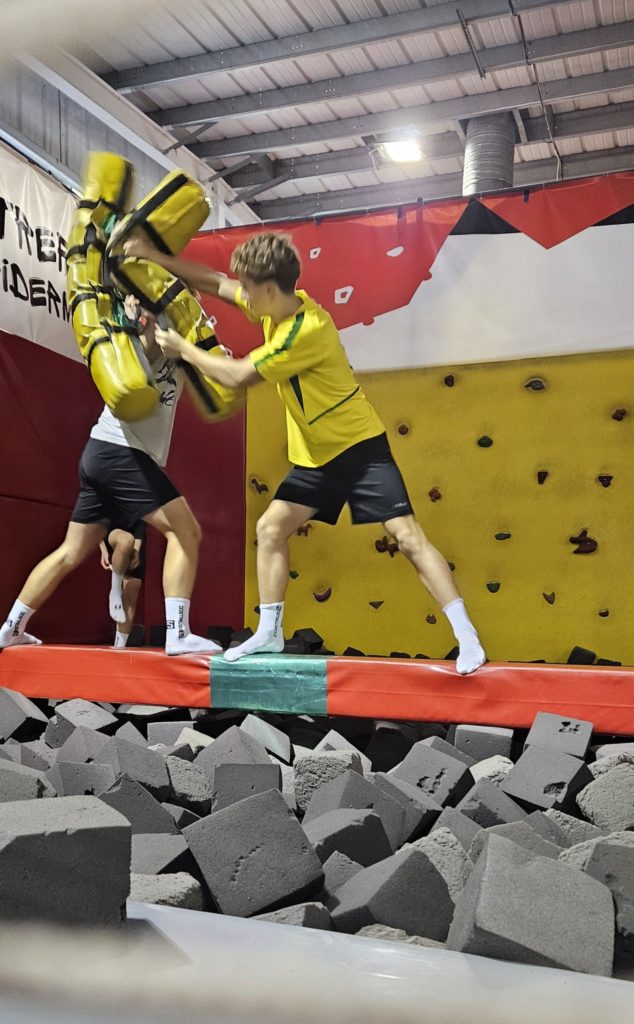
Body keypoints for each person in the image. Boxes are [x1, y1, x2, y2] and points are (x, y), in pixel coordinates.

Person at [123, 232, 486, 674]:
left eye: (248, 287)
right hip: (316, 458)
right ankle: (270, 632)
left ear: (269, 289)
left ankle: (467, 638)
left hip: (359, 449)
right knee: (270, 528)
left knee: (407, 538)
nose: (243, 294)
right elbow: (215, 282)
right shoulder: (274, 307)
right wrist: (154, 257)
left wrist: (183, 350)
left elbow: (237, 376)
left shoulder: (305, 331)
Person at [0, 299, 220, 657]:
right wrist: (145, 327)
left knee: (71, 551)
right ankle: (178, 634)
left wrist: (205, 347)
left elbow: (210, 378)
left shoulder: (184, 336)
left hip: (100, 452)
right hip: (121, 450)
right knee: (186, 532)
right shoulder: (153, 327)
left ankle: (11, 628)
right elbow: (142, 352)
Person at [99, 519, 147, 647]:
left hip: (136, 538)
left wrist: (137, 550)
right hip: (110, 533)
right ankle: (115, 591)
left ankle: (119, 646)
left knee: (132, 589)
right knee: (126, 540)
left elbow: (142, 521)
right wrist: (103, 548)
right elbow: (94, 518)